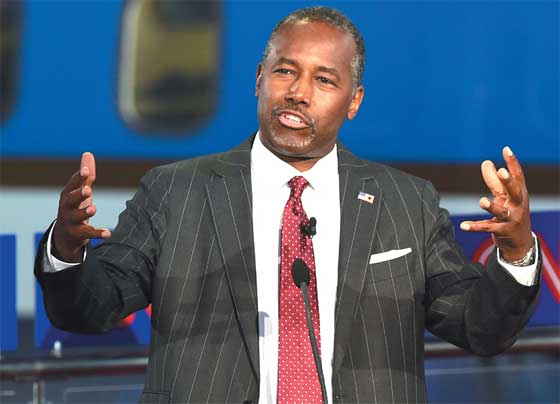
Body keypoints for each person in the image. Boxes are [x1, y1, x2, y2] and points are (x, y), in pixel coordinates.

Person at [35, 6, 541, 404]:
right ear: (259, 79)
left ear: (354, 100)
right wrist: (66, 248)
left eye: (324, 80)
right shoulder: (175, 191)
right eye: (285, 71)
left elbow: (482, 329)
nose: (298, 93)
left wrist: (517, 252)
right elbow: (88, 310)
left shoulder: (405, 202)